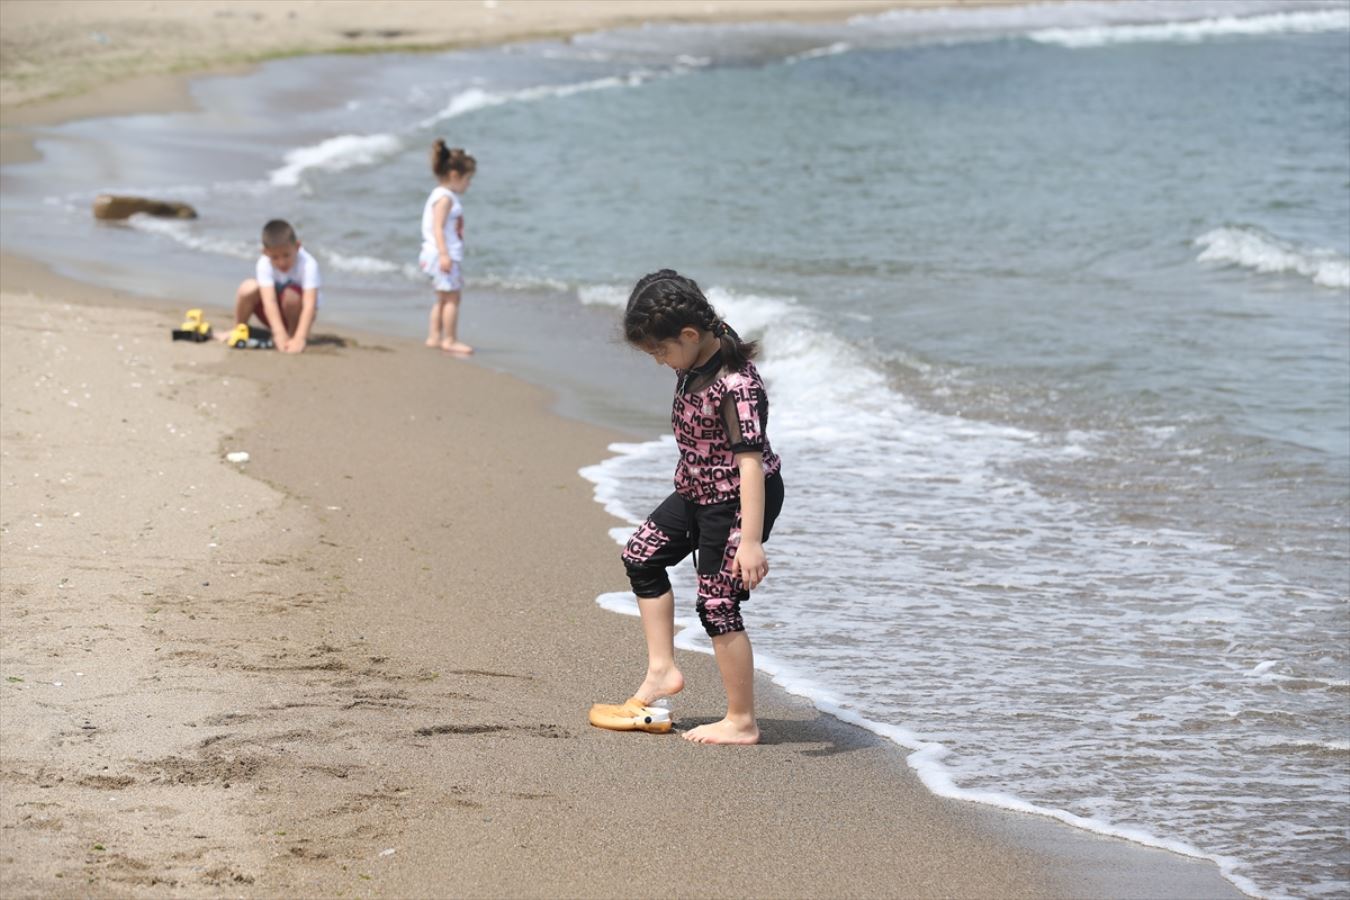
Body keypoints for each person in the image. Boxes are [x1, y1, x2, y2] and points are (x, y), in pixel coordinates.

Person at [618, 269, 786, 745]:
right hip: (696, 489)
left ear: (690, 335)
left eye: (660, 350)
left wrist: (749, 541)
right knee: (641, 556)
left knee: (717, 603)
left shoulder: (736, 386)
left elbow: (750, 466)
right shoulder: (695, 355)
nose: (659, 361)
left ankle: (742, 720)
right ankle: (662, 670)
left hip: (738, 500)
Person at [419, 140, 476, 355]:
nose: (468, 185)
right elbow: (438, 227)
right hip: (443, 255)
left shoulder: (438, 195)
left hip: (435, 254)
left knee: (442, 297)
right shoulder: (445, 198)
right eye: (467, 179)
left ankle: (434, 336)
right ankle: (449, 339)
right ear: (454, 175)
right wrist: (444, 254)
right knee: (453, 297)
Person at [233, 219, 320, 354]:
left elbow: (310, 305)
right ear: (265, 252)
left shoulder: (308, 264)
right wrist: (278, 332)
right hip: (273, 315)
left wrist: (300, 337)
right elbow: (269, 301)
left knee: (291, 295)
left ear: (297, 246)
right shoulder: (264, 263)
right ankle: (239, 329)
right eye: (275, 257)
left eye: (286, 255)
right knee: (248, 287)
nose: (282, 262)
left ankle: (293, 336)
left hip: (297, 313)